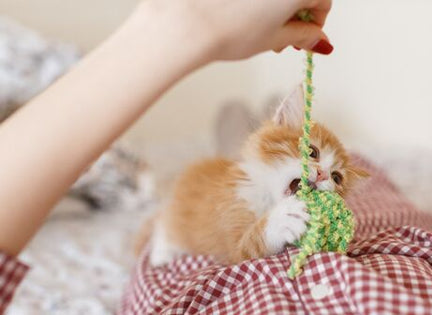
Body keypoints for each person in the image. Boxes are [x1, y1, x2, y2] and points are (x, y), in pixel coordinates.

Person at [0, 0, 333, 310]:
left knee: (238, 144)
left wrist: (182, 27)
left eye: (335, 177)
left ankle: (254, 117)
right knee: (239, 137)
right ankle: (253, 117)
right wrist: (186, 27)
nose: (322, 175)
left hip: (250, 164)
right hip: (250, 168)